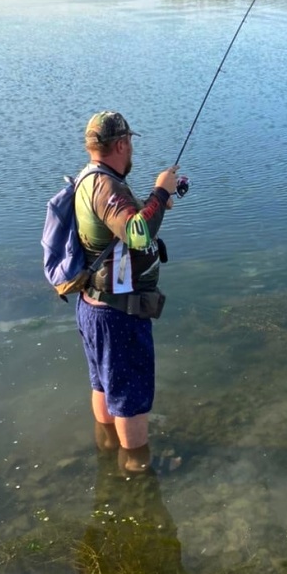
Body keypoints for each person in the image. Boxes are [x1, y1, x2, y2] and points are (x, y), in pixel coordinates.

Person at [74, 111, 179, 474]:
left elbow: (124, 226)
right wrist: (162, 189)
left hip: (94, 306)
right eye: (130, 141)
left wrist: (155, 206)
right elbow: (137, 233)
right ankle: (137, 468)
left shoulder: (88, 179)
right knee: (130, 397)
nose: (131, 148)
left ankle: (107, 450)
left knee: (104, 385)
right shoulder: (108, 187)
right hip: (118, 313)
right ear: (120, 144)